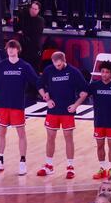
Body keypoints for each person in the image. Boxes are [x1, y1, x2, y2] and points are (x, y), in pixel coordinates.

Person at [0, 40, 39, 175]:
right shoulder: (1, 65)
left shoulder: (24, 66)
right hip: (3, 105)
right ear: (6, 50)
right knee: (1, 133)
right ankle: (0, 161)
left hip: (17, 105)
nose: (11, 50)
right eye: (9, 48)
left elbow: (36, 81)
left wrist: (45, 93)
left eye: (13, 48)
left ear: (18, 50)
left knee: (21, 134)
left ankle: (22, 162)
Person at [37, 51, 88, 179]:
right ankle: (49, 165)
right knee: (50, 137)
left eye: (59, 65)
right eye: (55, 65)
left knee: (68, 138)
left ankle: (70, 167)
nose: (57, 67)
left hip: (67, 111)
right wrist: (46, 98)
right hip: (53, 110)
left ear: (64, 61)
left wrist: (76, 105)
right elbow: (39, 85)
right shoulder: (49, 70)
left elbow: (85, 91)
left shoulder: (74, 72)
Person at [88, 61, 111, 180]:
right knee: (99, 146)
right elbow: (83, 94)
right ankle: (102, 168)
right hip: (98, 121)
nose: (104, 74)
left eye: (107, 72)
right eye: (102, 72)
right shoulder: (94, 85)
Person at [14, 1, 44, 69]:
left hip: (34, 49)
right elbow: (16, 29)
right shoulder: (24, 17)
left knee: (32, 69)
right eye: (32, 8)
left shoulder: (40, 20)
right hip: (23, 47)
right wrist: (16, 17)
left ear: (38, 10)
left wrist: (23, 31)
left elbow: (33, 32)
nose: (33, 10)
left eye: (35, 9)